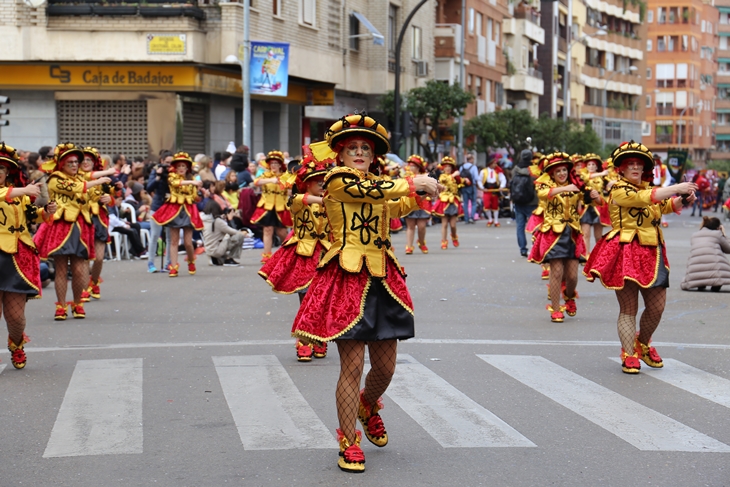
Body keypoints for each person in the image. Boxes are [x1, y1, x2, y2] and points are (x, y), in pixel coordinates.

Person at [291, 114, 440, 473]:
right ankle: (348, 439)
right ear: (341, 153)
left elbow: (393, 205)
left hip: (383, 277)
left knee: (386, 368)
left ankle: (368, 404)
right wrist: (411, 182)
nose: (359, 152)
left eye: (365, 148)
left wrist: (421, 194)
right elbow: (370, 192)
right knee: (353, 364)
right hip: (347, 276)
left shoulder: (379, 183)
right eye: (353, 147)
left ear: (373, 156)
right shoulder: (337, 179)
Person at [584, 142, 697, 374]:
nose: (635, 167)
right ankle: (628, 352)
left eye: (639, 164)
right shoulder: (619, 190)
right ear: (622, 169)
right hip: (625, 251)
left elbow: (663, 205)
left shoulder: (647, 189)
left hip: (653, 252)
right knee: (629, 308)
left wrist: (683, 200)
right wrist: (677, 187)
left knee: (657, 307)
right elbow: (644, 198)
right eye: (630, 164)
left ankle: (642, 343)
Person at [259, 157, 331, 361]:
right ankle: (303, 340)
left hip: (326, 255)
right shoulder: (298, 200)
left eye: (325, 182)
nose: (323, 185)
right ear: (306, 183)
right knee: (305, 299)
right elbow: (306, 200)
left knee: (322, 300)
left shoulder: (332, 202)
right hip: (304, 255)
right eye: (318, 182)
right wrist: (328, 200)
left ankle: (319, 337)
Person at [33, 143, 111, 320]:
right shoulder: (55, 179)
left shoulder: (80, 179)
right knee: (61, 269)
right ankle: (61, 306)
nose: (75, 165)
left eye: (77, 162)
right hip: (62, 227)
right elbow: (77, 189)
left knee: (78, 269)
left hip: (81, 227)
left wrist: (104, 198)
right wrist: (98, 181)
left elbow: (90, 197)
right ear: (62, 164)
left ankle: (77, 304)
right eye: (71, 162)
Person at [0, 143, 56, 368]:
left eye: (2, 169)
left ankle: (16, 343)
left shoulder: (19, 195)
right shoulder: (18, 192)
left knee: (14, 316)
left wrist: (46, 212)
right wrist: (24, 191)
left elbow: (33, 216)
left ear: (8, 172)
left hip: (17, 256)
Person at [528, 152, 597, 322]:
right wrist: (566, 188)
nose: (561, 174)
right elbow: (544, 195)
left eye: (564, 170)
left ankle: (569, 296)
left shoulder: (576, 185)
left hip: (572, 233)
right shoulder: (545, 185)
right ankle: (556, 308)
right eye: (558, 171)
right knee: (557, 272)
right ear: (552, 173)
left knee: (572, 276)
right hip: (553, 234)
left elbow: (590, 199)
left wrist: (594, 195)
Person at [151, 152, 204, 277]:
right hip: (174, 211)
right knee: (174, 241)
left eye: (184, 166)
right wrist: (192, 183)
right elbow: (175, 184)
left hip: (188, 211)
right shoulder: (172, 177)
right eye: (179, 165)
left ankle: (191, 260)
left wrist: (200, 192)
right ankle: (173, 266)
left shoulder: (192, 180)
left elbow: (195, 197)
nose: (181, 168)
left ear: (187, 168)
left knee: (188, 243)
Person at [79, 147, 116, 300]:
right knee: (84, 257)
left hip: (99, 219)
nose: (86, 162)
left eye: (89, 160)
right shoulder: (77, 177)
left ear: (95, 163)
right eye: (83, 160)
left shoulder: (102, 181)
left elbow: (112, 199)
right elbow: (88, 176)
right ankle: (84, 287)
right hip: (81, 217)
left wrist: (109, 199)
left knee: (99, 258)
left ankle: (94, 281)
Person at [251, 151, 293, 263]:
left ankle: (288, 252)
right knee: (267, 229)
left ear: (280, 165)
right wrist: (271, 180)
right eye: (271, 163)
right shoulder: (265, 175)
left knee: (282, 232)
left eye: (276, 163)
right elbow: (256, 182)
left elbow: (291, 188)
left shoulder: (286, 176)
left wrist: (288, 188)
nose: (273, 165)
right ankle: (267, 255)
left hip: (281, 206)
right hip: (267, 206)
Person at [680, 216, 730, 292]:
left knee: (702, 259)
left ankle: (700, 283)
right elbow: (728, 249)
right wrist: (724, 234)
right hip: (714, 269)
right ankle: (716, 284)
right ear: (717, 227)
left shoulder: (694, 235)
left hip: (695, 268)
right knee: (715, 260)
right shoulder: (717, 234)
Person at [579, 154, 611, 256]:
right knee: (586, 234)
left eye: (593, 164)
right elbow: (587, 178)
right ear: (586, 166)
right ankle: (586, 255)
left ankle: (598, 256)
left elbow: (609, 186)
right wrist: (602, 173)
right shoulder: (582, 175)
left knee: (598, 236)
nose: (591, 166)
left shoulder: (603, 178)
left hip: (598, 207)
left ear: (596, 166)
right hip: (586, 207)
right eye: (589, 164)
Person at [146, 152, 173, 273]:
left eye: (171, 162)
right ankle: (151, 263)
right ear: (162, 161)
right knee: (155, 235)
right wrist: (158, 176)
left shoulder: (175, 173)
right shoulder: (156, 170)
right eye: (167, 162)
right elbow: (149, 188)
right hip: (157, 206)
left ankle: (169, 262)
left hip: (171, 206)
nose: (169, 165)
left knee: (170, 237)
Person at [201, 200, 247, 266]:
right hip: (217, 250)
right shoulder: (218, 221)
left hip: (208, 249)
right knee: (239, 236)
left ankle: (215, 259)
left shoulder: (204, 220)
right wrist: (230, 219)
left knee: (223, 237)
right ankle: (229, 259)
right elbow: (233, 231)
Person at [510, 149, 538, 257]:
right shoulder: (534, 170)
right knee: (535, 226)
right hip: (532, 201)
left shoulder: (515, 170)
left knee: (520, 226)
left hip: (518, 201)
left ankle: (523, 249)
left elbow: (512, 183)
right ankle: (535, 246)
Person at [432, 156, 464, 249]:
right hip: (444, 200)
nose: (448, 168)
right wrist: (453, 175)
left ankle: (454, 236)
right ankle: (444, 241)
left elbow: (461, 182)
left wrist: (464, 180)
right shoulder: (442, 176)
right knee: (444, 224)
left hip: (453, 200)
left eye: (449, 167)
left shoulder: (455, 177)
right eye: (446, 166)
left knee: (453, 225)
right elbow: (444, 181)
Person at [403, 155, 432, 254]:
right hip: (410, 202)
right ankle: (409, 246)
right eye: (410, 166)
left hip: (422, 203)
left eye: (414, 166)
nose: (411, 168)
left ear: (419, 167)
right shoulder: (406, 177)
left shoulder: (425, 176)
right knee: (410, 226)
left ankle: (421, 242)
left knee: (421, 226)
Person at [478, 155, 507, 228]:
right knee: (486, 205)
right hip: (487, 190)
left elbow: (503, 179)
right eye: (494, 163)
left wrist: (501, 187)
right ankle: (490, 219)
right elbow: (479, 180)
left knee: (495, 205)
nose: (495, 165)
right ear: (490, 163)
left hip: (495, 190)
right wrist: (482, 188)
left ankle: (496, 220)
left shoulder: (498, 171)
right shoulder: (483, 171)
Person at [459, 152, 479, 223]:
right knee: (473, 203)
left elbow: (459, 177)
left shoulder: (462, 167)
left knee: (465, 203)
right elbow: (476, 178)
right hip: (472, 186)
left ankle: (466, 219)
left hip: (464, 187)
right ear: (471, 159)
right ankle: (472, 217)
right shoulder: (474, 167)